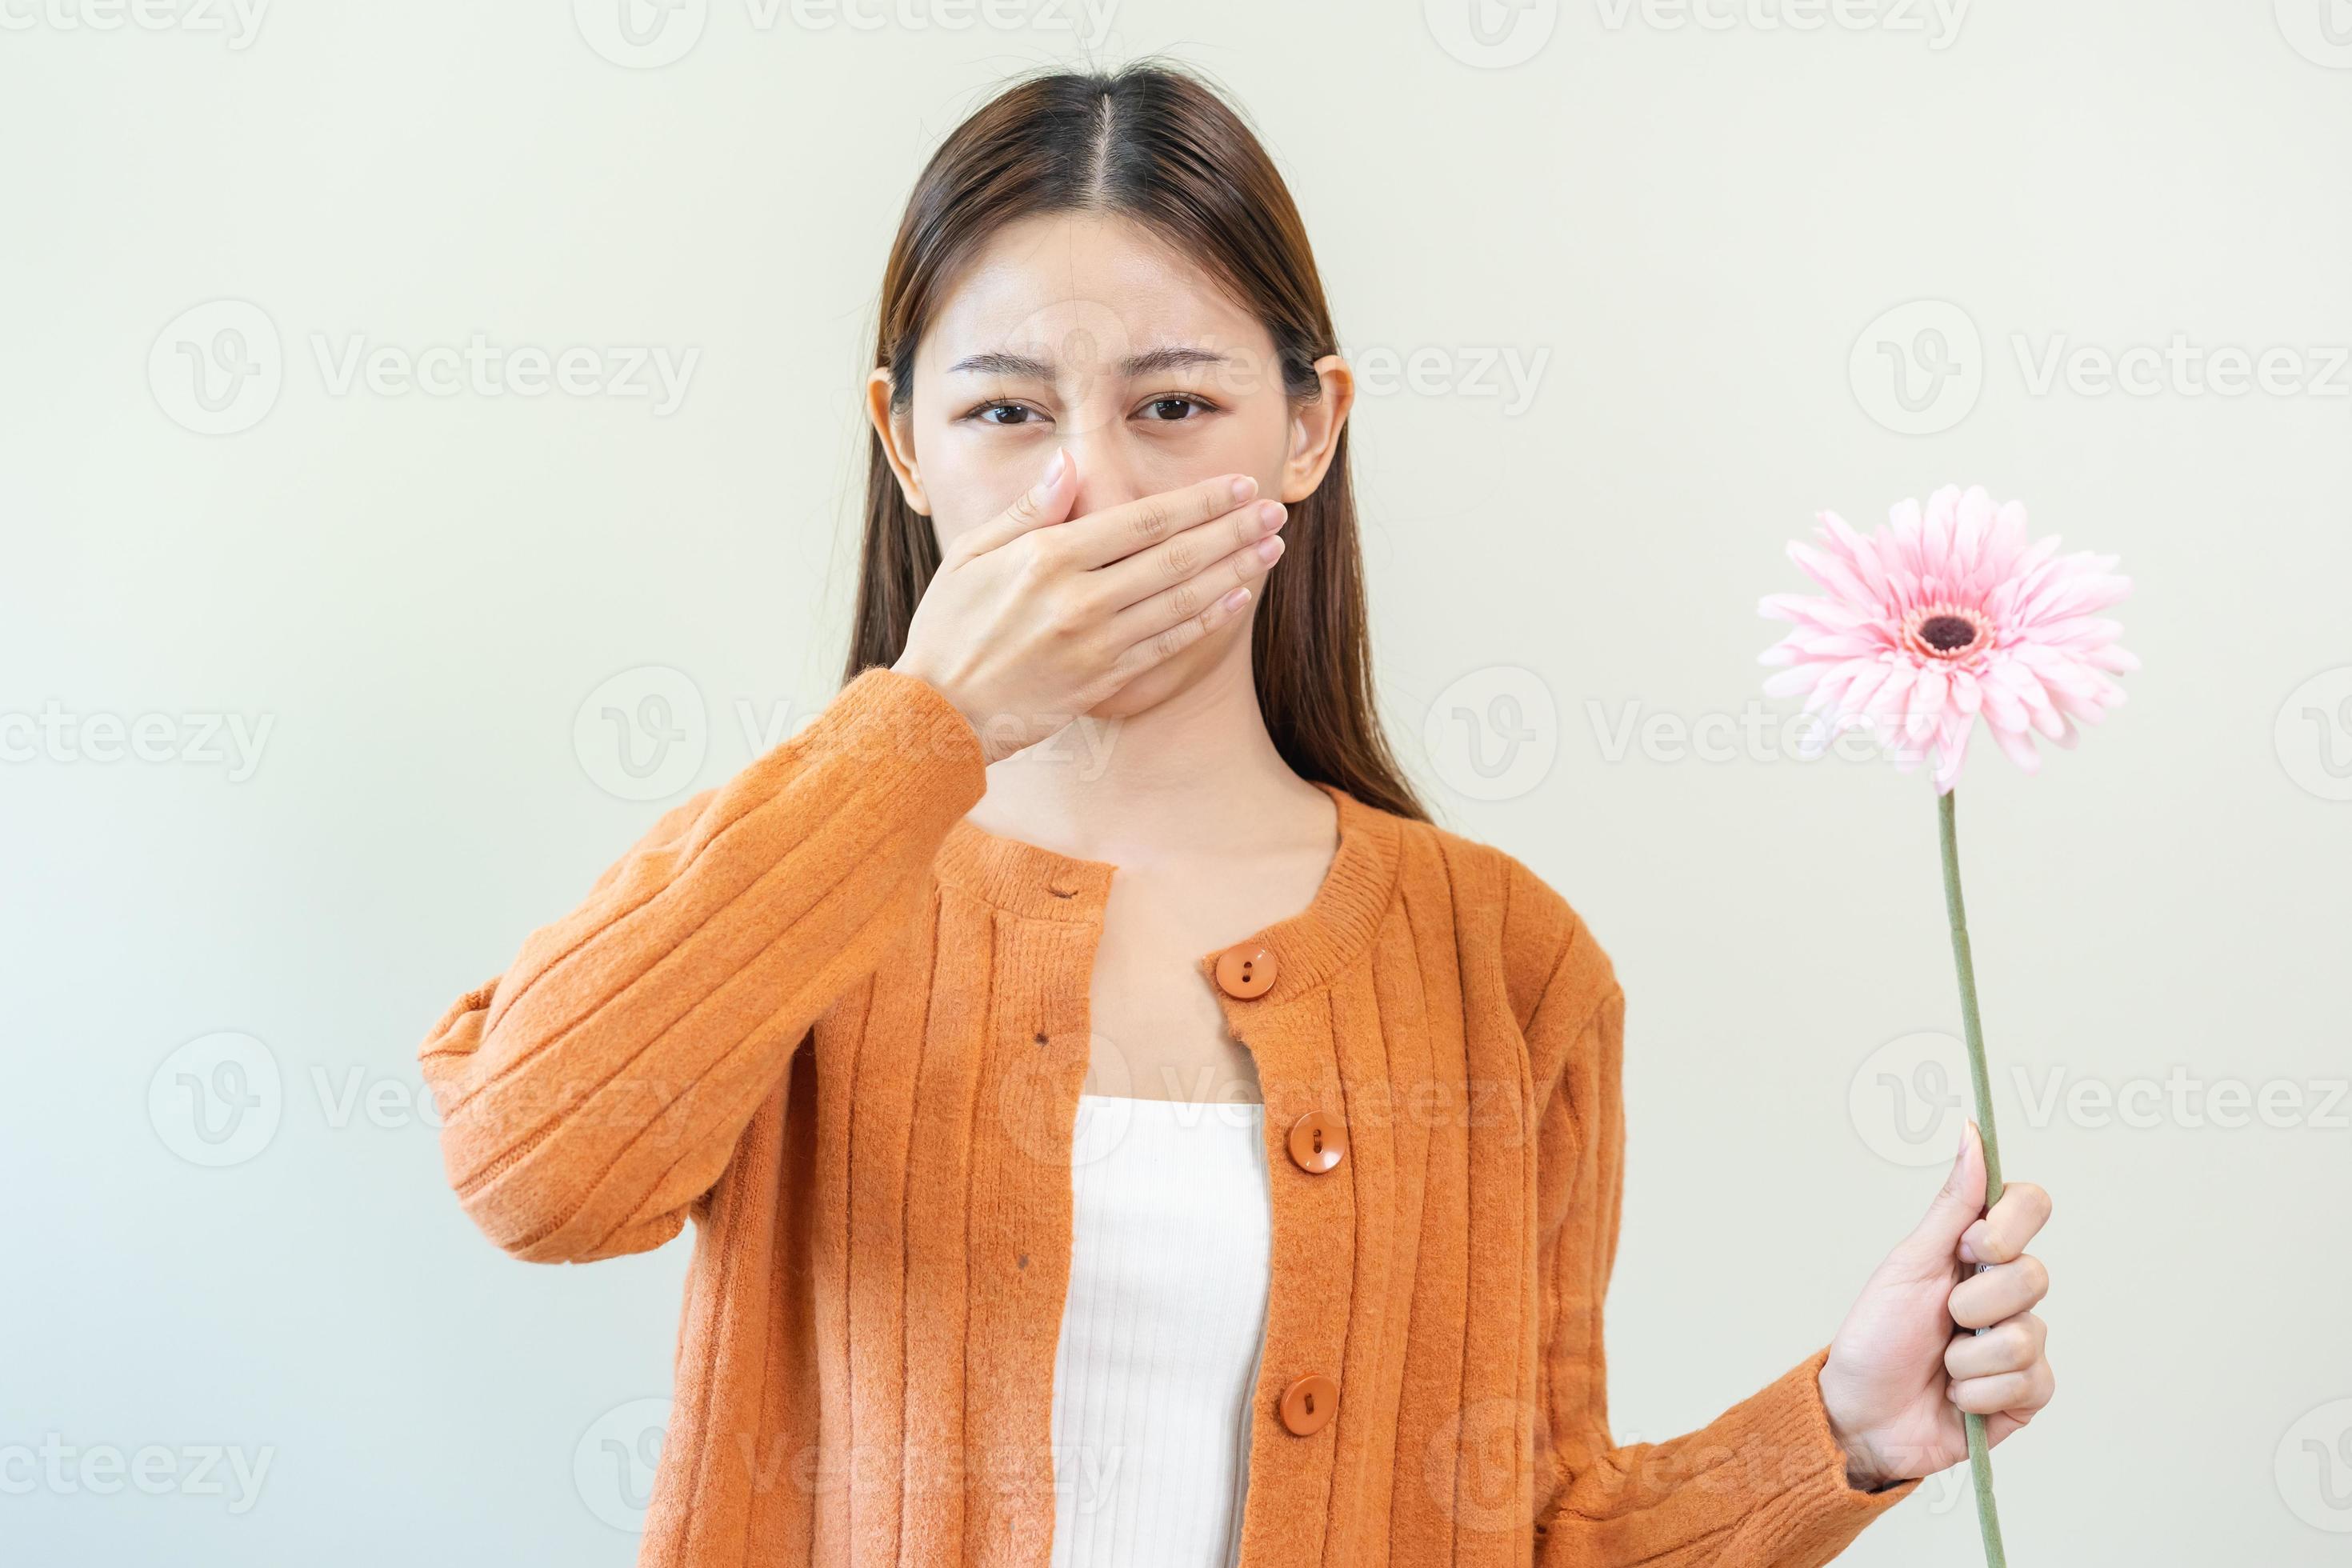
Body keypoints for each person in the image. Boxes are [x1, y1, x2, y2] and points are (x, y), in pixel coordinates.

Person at [419, 62, 2055, 1568]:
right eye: (1005, 412)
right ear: (902, 444)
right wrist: (930, 725)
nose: (1090, 493)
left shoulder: (1504, 958)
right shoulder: (801, 876)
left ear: (1310, 427)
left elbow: (1535, 1523)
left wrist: (1838, 1429)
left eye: (1175, 406)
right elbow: (533, 1170)